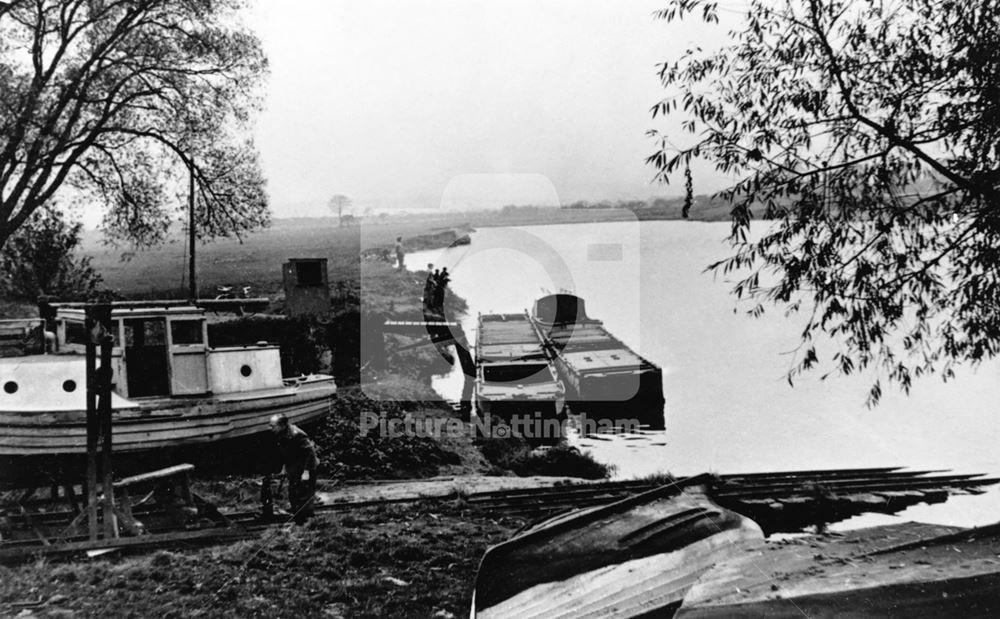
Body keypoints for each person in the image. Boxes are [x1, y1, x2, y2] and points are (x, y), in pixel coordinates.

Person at [262, 413, 319, 523]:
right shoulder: (280, 433)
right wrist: (284, 468)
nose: (270, 428)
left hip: (307, 465)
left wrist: (306, 472)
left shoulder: (297, 434)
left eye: (273, 426)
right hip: (294, 465)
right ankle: (298, 517)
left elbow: (309, 453)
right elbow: (285, 452)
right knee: (293, 492)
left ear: (282, 425)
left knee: (305, 493)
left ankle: (307, 520)